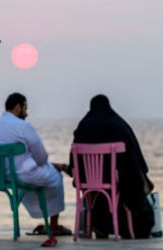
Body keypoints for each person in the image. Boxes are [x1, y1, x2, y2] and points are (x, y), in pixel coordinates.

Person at [0, 92, 71, 236]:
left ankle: (44, 218)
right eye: (25, 108)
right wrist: (48, 164)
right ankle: (54, 225)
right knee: (56, 176)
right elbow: (41, 157)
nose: (26, 113)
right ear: (17, 108)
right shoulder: (23, 127)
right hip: (22, 176)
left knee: (30, 179)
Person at [66, 94, 154, 239]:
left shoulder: (83, 126)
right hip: (117, 180)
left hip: (89, 182)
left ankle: (98, 226)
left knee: (97, 196)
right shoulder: (119, 125)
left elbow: (73, 161)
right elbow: (134, 156)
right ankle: (126, 227)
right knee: (130, 182)